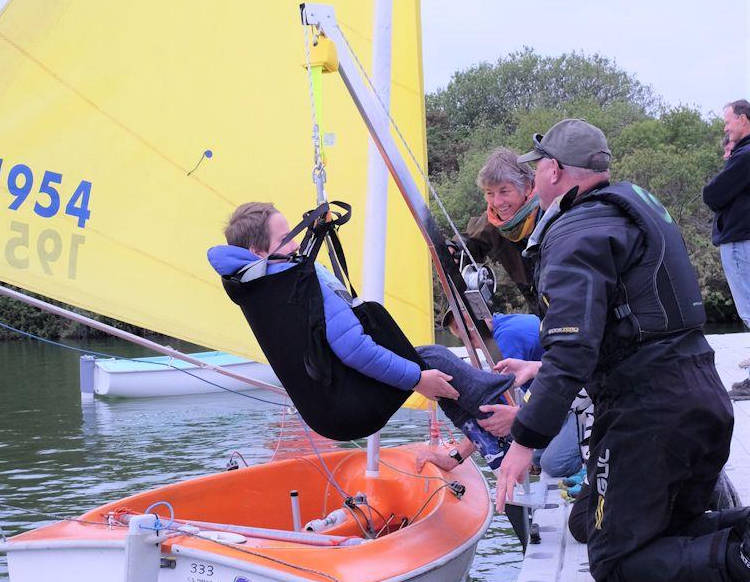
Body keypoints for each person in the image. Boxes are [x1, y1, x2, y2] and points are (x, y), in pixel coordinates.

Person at [494, 117, 749, 582]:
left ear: (552, 170)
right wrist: (540, 367)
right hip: (702, 398)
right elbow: (617, 329)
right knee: (587, 520)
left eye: (537, 170)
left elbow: (571, 348)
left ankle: (742, 557)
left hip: (650, 415)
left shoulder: (573, 233)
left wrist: (523, 443)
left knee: (611, 561)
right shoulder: (628, 209)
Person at [209, 201, 514, 458]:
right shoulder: (300, 283)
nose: (295, 243)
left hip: (327, 412)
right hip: (351, 408)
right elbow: (355, 349)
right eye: (285, 237)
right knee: (434, 363)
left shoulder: (258, 290)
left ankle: (489, 441)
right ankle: (514, 421)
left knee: (430, 361)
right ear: (259, 253)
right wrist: (417, 379)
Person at [440, 307, 584, 481]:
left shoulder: (508, 338)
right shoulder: (505, 322)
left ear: (479, 314)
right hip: (556, 397)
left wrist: (456, 456)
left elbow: (496, 413)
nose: (463, 330)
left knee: (552, 463)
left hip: (579, 399)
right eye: (457, 329)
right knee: (536, 456)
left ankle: (588, 458)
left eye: (465, 324)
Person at [703, 99, 750, 400]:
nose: (725, 126)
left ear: (744, 119)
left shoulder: (745, 157)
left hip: (740, 241)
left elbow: (713, 194)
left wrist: (730, 162)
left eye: (728, 121)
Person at [462, 149, 540, 306]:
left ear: (526, 187)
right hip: (540, 311)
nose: (497, 202)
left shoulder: (552, 211)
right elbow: (469, 242)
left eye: (504, 191)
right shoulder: (495, 221)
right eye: (489, 193)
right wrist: (453, 248)